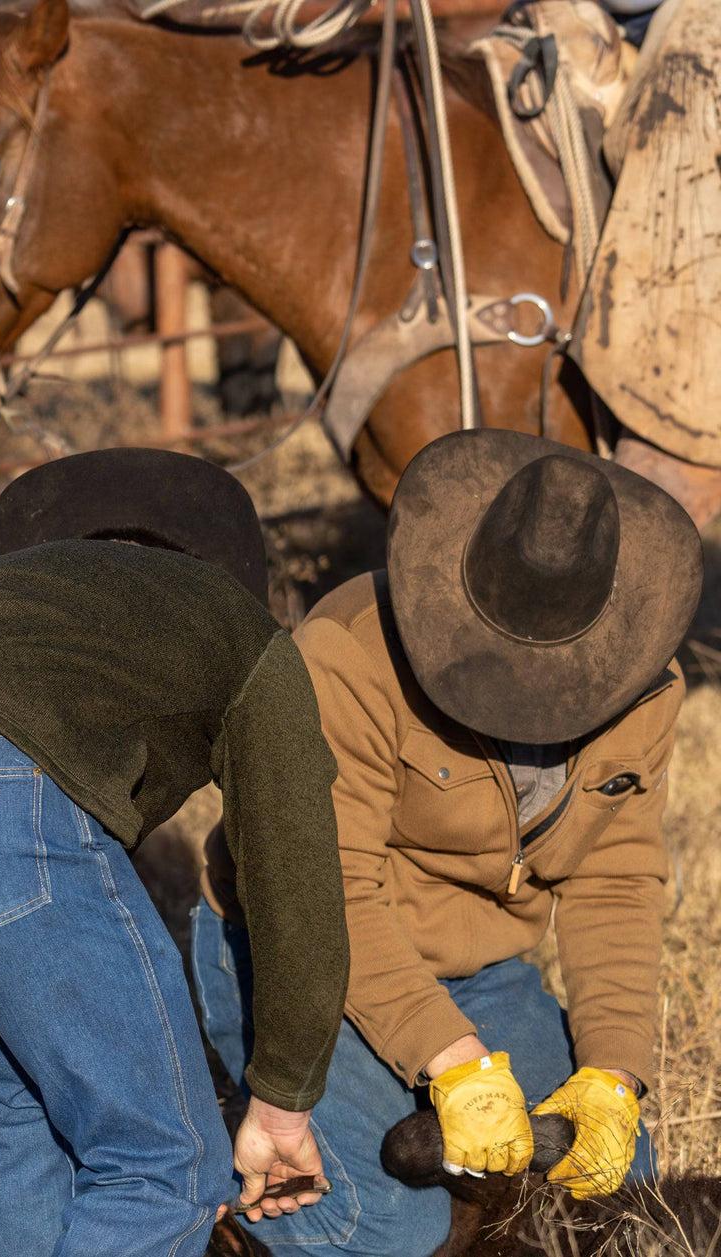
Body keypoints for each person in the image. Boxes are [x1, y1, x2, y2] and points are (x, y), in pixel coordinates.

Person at [0, 448, 351, 1256]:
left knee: (12, 1094)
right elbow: (296, 873)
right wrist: (284, 1100)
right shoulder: (239, 625)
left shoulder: (17, 593)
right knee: (166, 1162)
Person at [194, 430, 703, 1255]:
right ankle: (198, 1163)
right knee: (385, 1228)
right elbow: (328, 892)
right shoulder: (345, 655)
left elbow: (615, 881)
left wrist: (614, 1073)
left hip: (482, 967)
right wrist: (453, 1060)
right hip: (296, 950)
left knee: (620, 1193)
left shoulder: (648, 687)